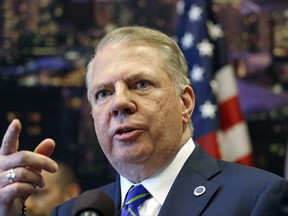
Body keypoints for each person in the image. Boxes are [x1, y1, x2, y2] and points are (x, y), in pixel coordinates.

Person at [1, 26, 288, 216]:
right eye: (103, 93)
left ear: (185, 103)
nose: (119, 103)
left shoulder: (256, 199)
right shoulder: (73, 212)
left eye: (140, 85)